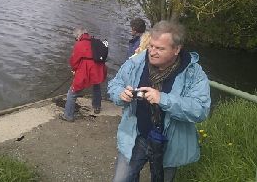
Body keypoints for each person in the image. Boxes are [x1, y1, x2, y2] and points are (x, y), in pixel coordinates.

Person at [108, 20, 211, 182]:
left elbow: (201, 110)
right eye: (151, 46)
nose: (152, 52)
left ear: (176, 49)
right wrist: (121, 94)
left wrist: (163, 99)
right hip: (137, 136)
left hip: (169, 142)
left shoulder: (193, 73)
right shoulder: (136, 62)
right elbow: (114, 85)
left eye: (160, 48)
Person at [60, 27, 107, 122]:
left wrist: (74, 69)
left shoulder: (79, 44)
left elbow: (74, 60)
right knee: (96, 86)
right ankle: (97, 107)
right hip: (98, 69)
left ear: (79, 35)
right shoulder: (96, 41)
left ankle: (68, 115)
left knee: (72, 92)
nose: (76, 40)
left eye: (75, 38)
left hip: (86, 70)